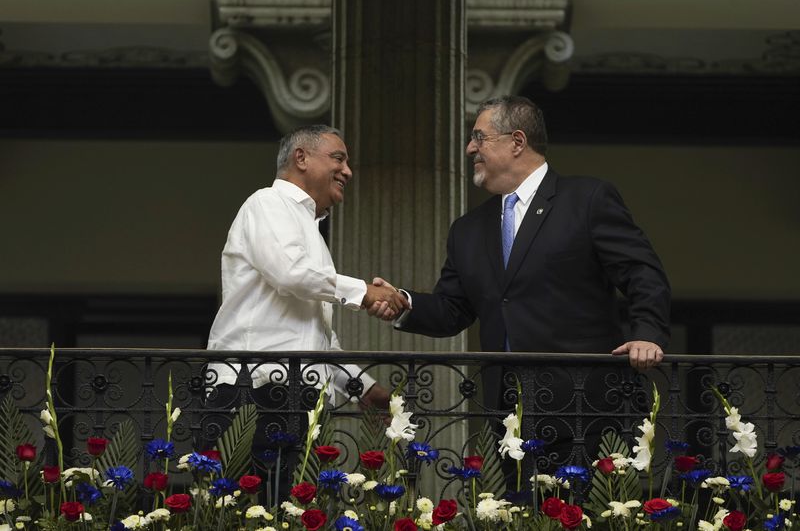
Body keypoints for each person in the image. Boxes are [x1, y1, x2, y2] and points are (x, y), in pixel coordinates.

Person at [371, 95, 670, 461]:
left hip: (588, 409)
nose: (470, 148)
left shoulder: (586, 199)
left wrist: (646, 334)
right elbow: (453, 310)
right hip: (508, 416)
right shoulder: (467, 230)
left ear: (517, 141)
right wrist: (406, 304)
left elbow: (642, 271)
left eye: (479, 137)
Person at [204, 125, 406, 453]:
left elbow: (318, 337)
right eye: (338, 159)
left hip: (295, 398)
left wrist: (364, 388)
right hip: (251, 391)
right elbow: (290, 273)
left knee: (288, 503)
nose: (348, 171)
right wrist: (364, 291)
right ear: (301, 158)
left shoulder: (309, 229)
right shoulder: (267, 202)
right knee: (247, 501)